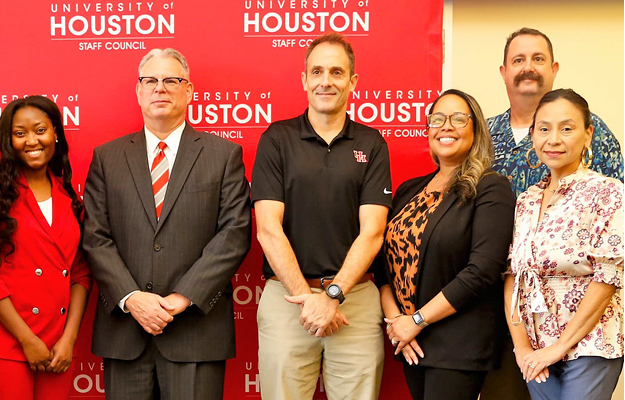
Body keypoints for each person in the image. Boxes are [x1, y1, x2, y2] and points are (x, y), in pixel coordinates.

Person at [83, 48, 251, 399]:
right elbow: (96, 236)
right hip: (125, 333)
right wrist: (133, 299)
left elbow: (234, 233)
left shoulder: (223, 155)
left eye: (170, 80)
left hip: (195, 332)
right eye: (151, 81)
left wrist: (182, 298)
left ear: (188, 91)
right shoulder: (107, 157)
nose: (160, 88)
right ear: (139, 91)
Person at [252, 33, 391, 400]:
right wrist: (309, 298)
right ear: (304, 80)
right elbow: (268, 230)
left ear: (353, 81)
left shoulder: (372, 143)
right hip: (287, 300)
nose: (326, 81)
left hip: (355, 302)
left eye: (336, 72)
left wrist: (332, 295)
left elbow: (373, 233)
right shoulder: (276, 139)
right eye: (317, 71)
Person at [378, 89, 515, 400]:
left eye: (458, 119)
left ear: (476, 130)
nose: (446, 126)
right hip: (411, 341)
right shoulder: (408, 190)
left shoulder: (490, 187)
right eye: (437, 119)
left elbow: (482, 270)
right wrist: (397, 322)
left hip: (458, 344)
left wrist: (416, 320)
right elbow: (383, 270)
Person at [0, 96, 90, 399]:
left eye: (40, 130)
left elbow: (80, 273)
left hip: (56, 344)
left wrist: (69, 338)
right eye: (20, 133)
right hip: (3, 341)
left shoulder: (69, 197)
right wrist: (26, 339)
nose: (31, 141)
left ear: (55, 134)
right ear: (8, 141)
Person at [504, 89, 623, 400]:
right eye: (544, 129)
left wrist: (559, 347)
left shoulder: (608, 193)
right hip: (536, 348)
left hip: (590, 344)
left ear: (588, 135)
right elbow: (513, 278)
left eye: (566, 128)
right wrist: (522, 347)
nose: (553, 139)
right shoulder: (526, 201)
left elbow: (607, 278)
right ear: (532, 136)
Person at [489, 27, 623, 197]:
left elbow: (618, 202)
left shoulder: (588, 128)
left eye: (538, 59)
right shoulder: (482, 132)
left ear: (554, 69)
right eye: (518, 60)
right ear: (504, 72)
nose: (528, 67)